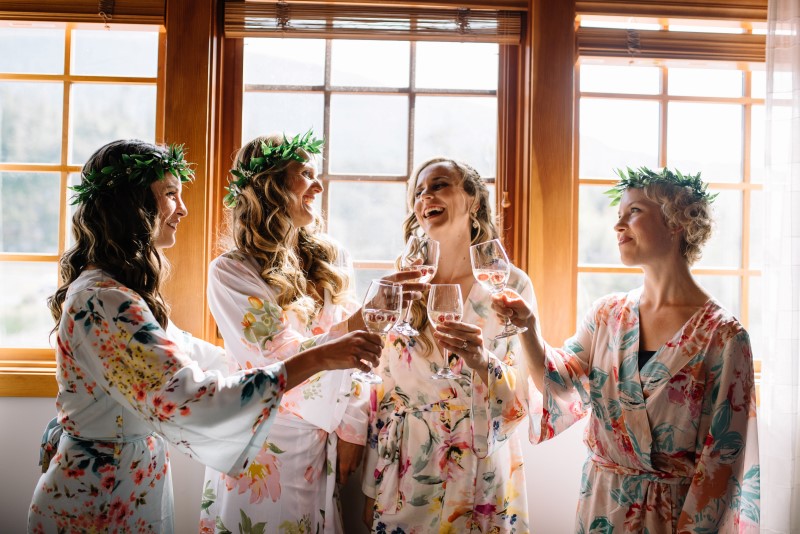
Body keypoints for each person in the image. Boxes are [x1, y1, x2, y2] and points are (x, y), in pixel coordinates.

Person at [28, 139, 381, 533]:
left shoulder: (119, 291)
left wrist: (254, 364)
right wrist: (317, 358)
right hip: (98, 498)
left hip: (130, 483)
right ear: (132, 204)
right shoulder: (103, 301)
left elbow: (193, 354)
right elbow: (186, 397)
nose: (183, 208)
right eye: (171, 194)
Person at [494, 167, 760, 532]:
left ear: (676, 221)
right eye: (618, 215)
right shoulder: (607, 315)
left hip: (675, 517)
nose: (618, 226)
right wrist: (528, 328)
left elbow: (722, 468)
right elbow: (556, 382)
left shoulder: (725, 337)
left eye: (633, 212)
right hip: (602, 506)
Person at [198, 131, 424, 534]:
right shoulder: (231, 272)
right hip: (260, 448)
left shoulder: (332, 258)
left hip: (323, 447)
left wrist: (354, 427)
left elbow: (363, 358)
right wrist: (371, 311)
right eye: (305, 173)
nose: (318, 185)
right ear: (270, 185)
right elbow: (276, 358)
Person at [361, 157, 537, 532]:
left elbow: (522, 393)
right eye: (419, 192)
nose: (426, 197)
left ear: (472, 200)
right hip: (405, 466)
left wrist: (480, 360)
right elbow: (383, 388)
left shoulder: (509, 286)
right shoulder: (403, 283)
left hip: (478, 465)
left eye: (439, 185)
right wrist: (368, 484)